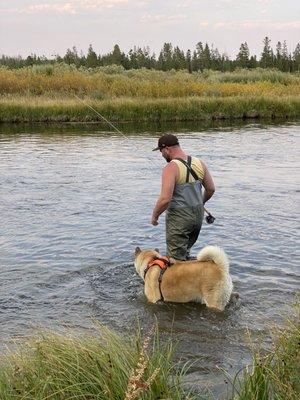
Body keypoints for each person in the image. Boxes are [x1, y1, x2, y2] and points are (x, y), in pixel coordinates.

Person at [151, 133, 215, 260]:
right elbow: (211, 189)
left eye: (161, 151)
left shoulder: (171, 167)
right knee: (185, 254)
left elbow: (165, 199)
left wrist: (155, 215)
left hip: (179, 219)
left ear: (167, 149)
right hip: (197, 217)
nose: (161, 155)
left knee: (176, 261)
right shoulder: (199, 162)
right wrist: (200, 203)